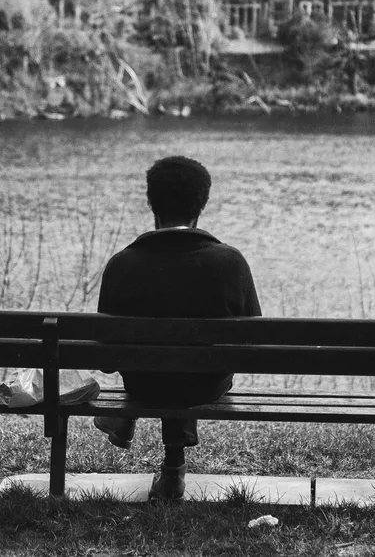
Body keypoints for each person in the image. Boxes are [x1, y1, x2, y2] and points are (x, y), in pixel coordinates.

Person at [94, 155, 262, 501]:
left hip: (143, 383)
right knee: (188, 369)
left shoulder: (122, 264)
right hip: (205, 384)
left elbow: (107, 356)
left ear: (150, 202)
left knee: (160, 369)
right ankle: (172, 466)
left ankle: (136, 429)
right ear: (201, 205)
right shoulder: (230, 263)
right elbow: (252, 344)